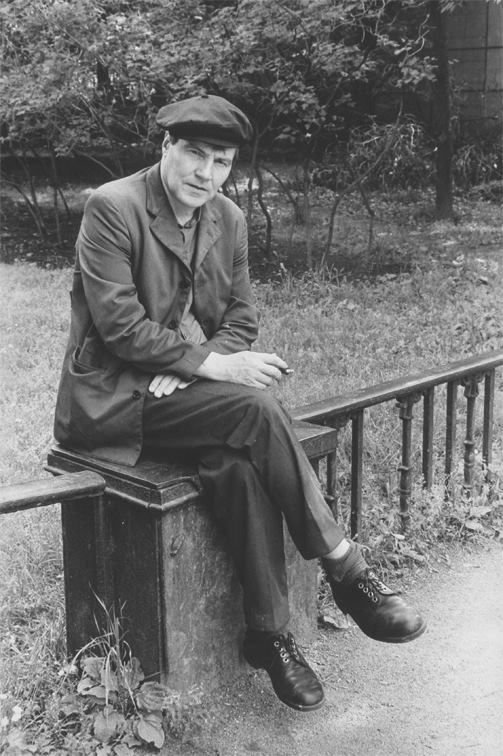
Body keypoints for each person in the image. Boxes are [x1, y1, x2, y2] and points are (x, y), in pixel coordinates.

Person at [54, 94, 426, 713]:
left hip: (176, 394)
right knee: (255, 408)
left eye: (222, 161)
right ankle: (347, 568)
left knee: (239, 464)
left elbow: (240, 319)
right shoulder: (112, 207)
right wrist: (211, 366)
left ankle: (270, 636)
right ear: (166, 147)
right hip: (111, 400)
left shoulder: (226, 218)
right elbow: (120, 327)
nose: (206, 173)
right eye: (194, 154)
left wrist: (193, 366)